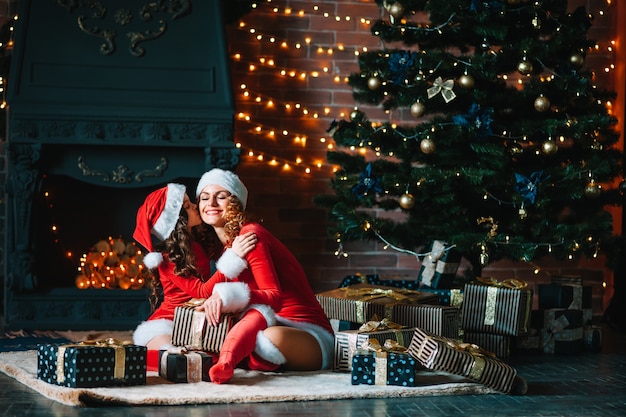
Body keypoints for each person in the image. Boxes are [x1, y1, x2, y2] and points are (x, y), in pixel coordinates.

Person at [194, 168, 335, 384]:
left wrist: (227, 296)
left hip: (307, 332)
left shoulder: (251, 236)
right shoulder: (226, 249)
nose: (211, 203)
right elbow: (205, 291)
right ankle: (230, 362)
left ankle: (241, 360)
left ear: (236, 204)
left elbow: (274, 297)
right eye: (204, 197)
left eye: (221, 197)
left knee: (267, 338)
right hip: (267, 323)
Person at [131, 183, 257, 352]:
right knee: (169, 351)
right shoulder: (168, 259)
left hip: (197, 315)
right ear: (178, 220)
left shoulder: (197, 243)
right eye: (188, 206)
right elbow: (202, 292)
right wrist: (233, 257)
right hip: (170, 320)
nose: (196, 206)